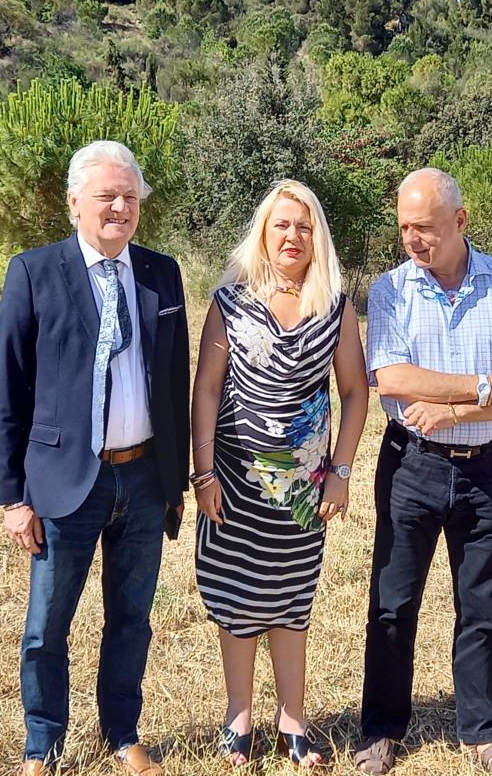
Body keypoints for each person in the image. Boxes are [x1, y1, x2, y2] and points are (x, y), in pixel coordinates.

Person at [356, 168, 492, 776]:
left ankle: (482, 733)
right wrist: (484, 386)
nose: (412, 241)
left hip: (485, 469)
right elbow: (393, 380)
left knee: (482, 604)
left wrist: (454, 411)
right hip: (409, 466)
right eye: (403, 229)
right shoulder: (392, 290)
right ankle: (381, 731)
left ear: (460, 220)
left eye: (423, 228)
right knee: (393, 605)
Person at [0, 140, 189, 776]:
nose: (120, 208)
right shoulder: (34, 272)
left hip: (144, 476)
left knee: (131, 619)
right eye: (107, 196)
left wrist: (175, 479)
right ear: (74, 202)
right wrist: (13, 496)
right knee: (47, 627)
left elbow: (175, 381)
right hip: (64, 482)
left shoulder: (161, 273)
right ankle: (42, 745)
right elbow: (5, 387)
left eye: (130, 198)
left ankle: (123, 733)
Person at [192, 179, 369, 769]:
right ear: (263, 234)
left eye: (303, 225)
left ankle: (292, 716)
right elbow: (208, 390)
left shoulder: (336, 305)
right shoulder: (230, 301)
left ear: (317, 235)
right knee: (239, 595)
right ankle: (237, 714)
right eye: (281, 225)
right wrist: (203, 471)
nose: (292, 235)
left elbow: (353, 392)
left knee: (292, 597)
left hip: (302, 487)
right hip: (234, 478)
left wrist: (340, 471)